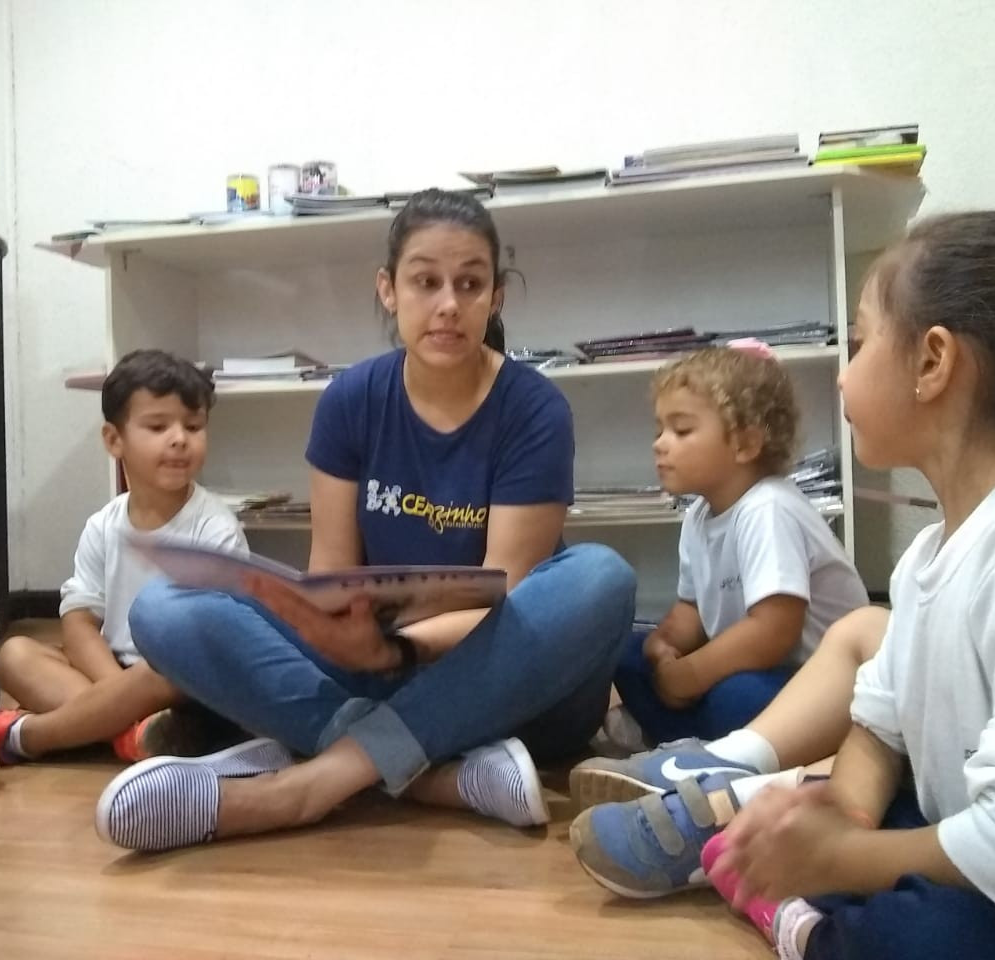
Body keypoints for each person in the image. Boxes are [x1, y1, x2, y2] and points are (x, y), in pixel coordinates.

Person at [573, 211, 995, 959]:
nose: (843, 373)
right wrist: (839, 817)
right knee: (858, 829)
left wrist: (842, 859)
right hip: (979, 843)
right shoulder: (927, 555)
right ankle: (771, 847)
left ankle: (808, 926)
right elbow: (879, 729)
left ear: (932, 362)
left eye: (860, 341)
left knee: (929, 937)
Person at [94, 187, 637, 851]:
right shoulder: (350, 401)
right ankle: (434, 776)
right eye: (426, 282)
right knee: (164, 609)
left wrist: (398, 649)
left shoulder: (534, 410)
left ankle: (309, 786)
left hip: (508, 683)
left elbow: (510, 595)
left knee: (600, 578)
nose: (448, 304)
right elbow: (331, 573)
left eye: (470, 284)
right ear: (388, 290)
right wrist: (336, 629)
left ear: (495, 297)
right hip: (378, 670)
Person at [576, 344, 867, 803]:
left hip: (807, 686)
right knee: (627, 653)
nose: (659, 443)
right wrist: (665, 644)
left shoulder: (768, 508)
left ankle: (702, 749)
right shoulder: (699, 516)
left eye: (681, 429)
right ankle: (694, 749)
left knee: (737, 695)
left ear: (746, 443)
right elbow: (692, 607)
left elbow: (773, 631)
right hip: (749, 667)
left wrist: (691, 674)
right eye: (659, 429)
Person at [0, 350, 250, 763]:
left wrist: (122, 696)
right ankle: (131, 735)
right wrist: (117, 694)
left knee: (161, 679)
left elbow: (216, 642)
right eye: (158, 426)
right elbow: (79, 624)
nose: (180, 438)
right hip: (111, 672)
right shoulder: (103, 525)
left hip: (175, 680)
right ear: (113, 439)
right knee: (15, 655)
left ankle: (32, 735)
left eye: (194, 426)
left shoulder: (215, 528)